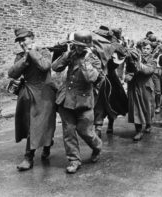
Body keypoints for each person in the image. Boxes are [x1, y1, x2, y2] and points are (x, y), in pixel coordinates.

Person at [51, 31, 102, 174]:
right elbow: (55, 67)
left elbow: (90, 78)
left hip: (84, 102)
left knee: (85, 131)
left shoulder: (94, 60)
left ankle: (97, 147)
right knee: (68, 132)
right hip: (66, 100)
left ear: (87, 47)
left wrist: (86, 60)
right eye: (76, 45)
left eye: (81, 46)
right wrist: (67, 54)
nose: (78, 49)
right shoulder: (71, 55)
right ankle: (74, 160)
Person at [8, 28, 56, 171]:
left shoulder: (44, 52)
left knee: (44, 123)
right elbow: (12, 73)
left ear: (32, 38)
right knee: (30, 125)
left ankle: (35, 153)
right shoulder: (20, 56)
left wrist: (32, 52)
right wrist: (25, 58)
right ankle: (33, 153)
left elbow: (45, 66)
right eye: (19, 41)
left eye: (24, 39)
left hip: (45, 94)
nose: (22, 43)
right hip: (27, 94)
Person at [125, 40, 156, 141]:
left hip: (146, 86)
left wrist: (138, 62)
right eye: (144, 48)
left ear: (151, 50)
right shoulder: (135, 57)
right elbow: (128, 69)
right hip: (134, 86)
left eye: (148, 49)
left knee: (148, 108)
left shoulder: (152, 60)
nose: (146, 50)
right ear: (140, 49)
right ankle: (138, 130)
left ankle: (148, 123)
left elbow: (148, 71)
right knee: (136, 108)